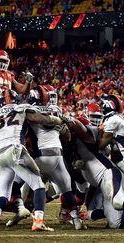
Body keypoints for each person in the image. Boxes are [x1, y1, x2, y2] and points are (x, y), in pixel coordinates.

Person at [0, 89, 63, 231]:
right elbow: (40, 119)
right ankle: (38, 220)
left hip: (0, 155)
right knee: (38, 184)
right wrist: (58, 120)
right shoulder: (21, 108)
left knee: (4, 194)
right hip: (15, 150)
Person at [26, 85, 85, 229]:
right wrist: (60, 122)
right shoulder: (56, 111)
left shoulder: (28, 110)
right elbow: (67, 137)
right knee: (66, 190)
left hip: (39, 158)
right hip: (57, 156)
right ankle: (76, 218)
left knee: (26, 192)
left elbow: (33, 120)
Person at [98, 94, 124, 172]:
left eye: (103, 104)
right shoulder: (116, 117)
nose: (101, 107)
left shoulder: (113, 120)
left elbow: (101, 144)